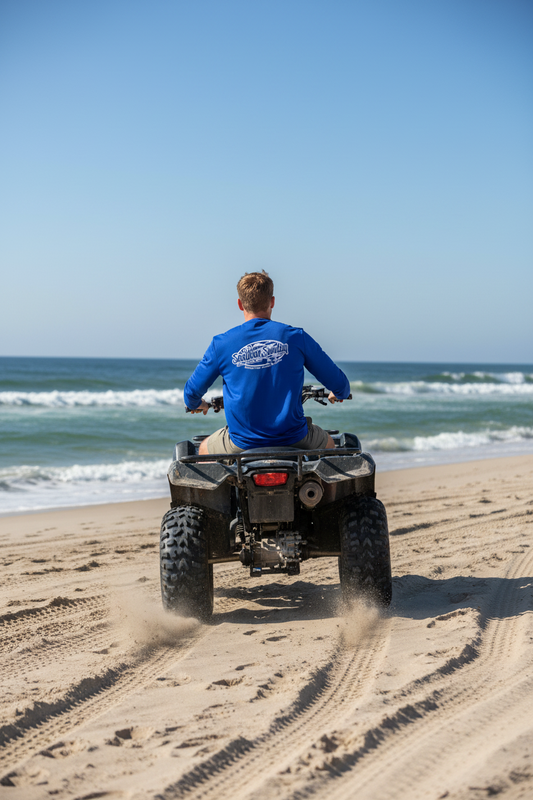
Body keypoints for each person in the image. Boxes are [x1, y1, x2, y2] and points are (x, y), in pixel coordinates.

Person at [184, 271, 351, 455]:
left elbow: (191, 393)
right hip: (295, 439)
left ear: (240, 304)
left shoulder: (221, 344)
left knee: (203, 449)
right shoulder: (296, 337)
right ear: (272, 301)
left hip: (241, 443)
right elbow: (341, 385)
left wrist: (198, 404)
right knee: (329, 445)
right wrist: (338, 392)